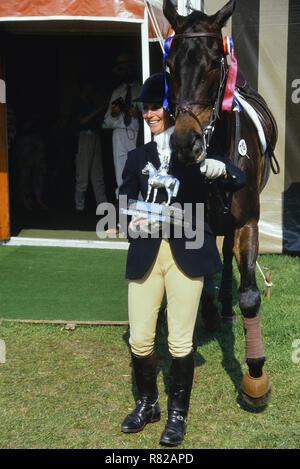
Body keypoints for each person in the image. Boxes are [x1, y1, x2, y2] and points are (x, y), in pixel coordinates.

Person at [118, 73, 246, 446]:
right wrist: (132, 215)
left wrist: (217, 168)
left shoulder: (192, 153)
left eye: (156, 106)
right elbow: (122, 202)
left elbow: (238, 179)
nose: (150, 114)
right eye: (145, 108)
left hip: (185, 256)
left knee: (179, 343)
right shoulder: (136, 157)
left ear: (173, 110)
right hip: (145, 254)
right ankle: (148, 403)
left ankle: (177, 416)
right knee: (140, 341)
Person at [104, 53, 142, 203]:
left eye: (126, 66)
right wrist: (114, 114)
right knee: (120, 173)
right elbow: (106, 121)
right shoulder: (117, 92)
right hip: (119, 134)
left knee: (138, 171)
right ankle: (122, 213)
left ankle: (139, 212)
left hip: (136, 133)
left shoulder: (140, 89)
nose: (124, 70)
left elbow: (151, 115)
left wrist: (138, 114)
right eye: (121, 67)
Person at [72, 81, 107, 212]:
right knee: (82, 175)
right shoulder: (77, 103)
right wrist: (100, 108)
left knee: (98, 174)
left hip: (95, 136)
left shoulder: (91, 102)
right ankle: (79, 207)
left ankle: (102, 205)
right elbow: (82, 120)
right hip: (83, 137)